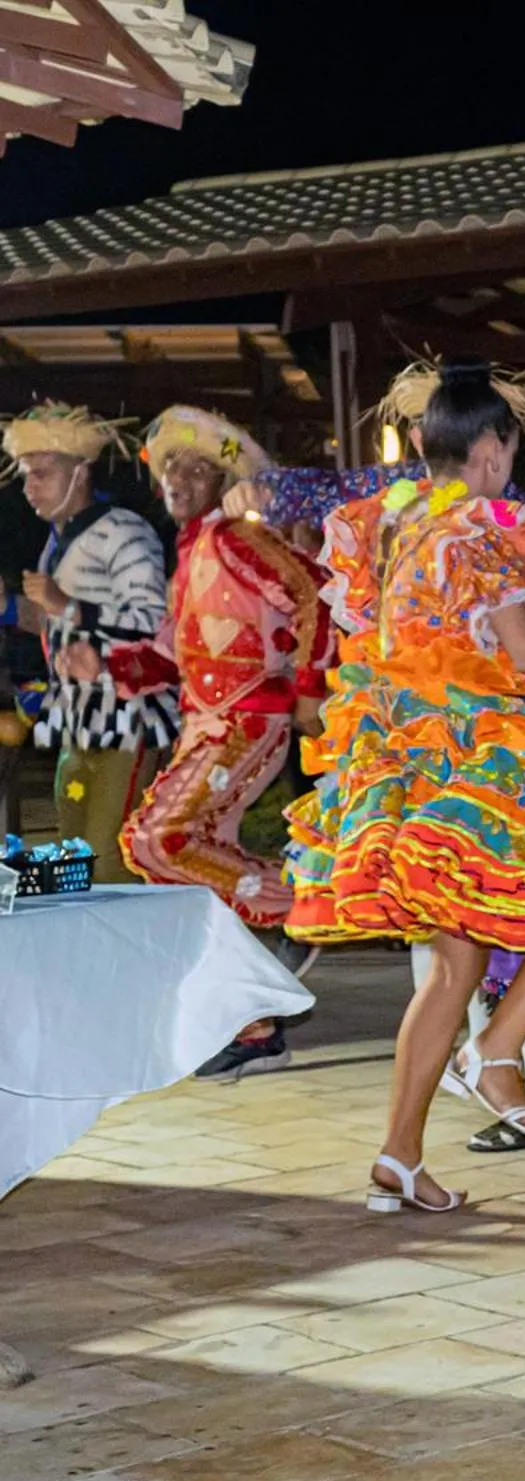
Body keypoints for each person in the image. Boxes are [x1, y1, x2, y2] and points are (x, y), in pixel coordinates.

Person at [284, 359, 525, 1212]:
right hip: (472, 761)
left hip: (399, 763)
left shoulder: (384, 525)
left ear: (425, 445)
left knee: (450, 972)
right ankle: (494, 1053)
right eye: (508, 448)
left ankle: (402, 1154)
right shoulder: (478, 532)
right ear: (492, 450)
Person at [88, 408, 333, 1077]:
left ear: (223, 480)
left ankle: (297, 906)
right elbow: (179, 651)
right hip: (211, 722)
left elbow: (313, 593)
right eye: (172, 464)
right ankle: (252, 1027)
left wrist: (311, 687)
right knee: (198, 872)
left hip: (246, 721)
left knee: (157, 840)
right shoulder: (194, 549)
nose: (181, 476)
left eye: (200, 467)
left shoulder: (231, 538)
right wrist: (114, 666)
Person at [0, 403, 174, 884]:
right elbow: (57, 619)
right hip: (78, 715)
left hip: (128, 715)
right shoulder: (58, 539)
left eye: (42, 474)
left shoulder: (124, 531)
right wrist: (12, 608)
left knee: (108, 854)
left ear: (80, 473)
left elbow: (153, 619)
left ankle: (149, 948)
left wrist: (66, 604)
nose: (30, 487)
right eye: (26, 476)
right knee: (75, 854)